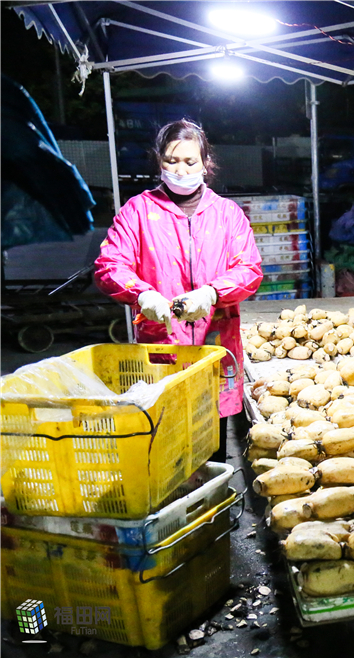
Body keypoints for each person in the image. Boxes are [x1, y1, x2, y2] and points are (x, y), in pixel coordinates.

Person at [94, 119, 262, 461]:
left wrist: (212, 293)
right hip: (161, 350)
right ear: (159, 160)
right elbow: (110, 264)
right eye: (171, 161)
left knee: (212, 448)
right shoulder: (138, 211)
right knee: (165, 450)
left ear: (205, 163)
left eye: (190, 161)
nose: (180, 170)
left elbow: (249, 269)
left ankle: (214, 496)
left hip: (214, 348)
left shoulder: (227, 214)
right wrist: (142, 294)